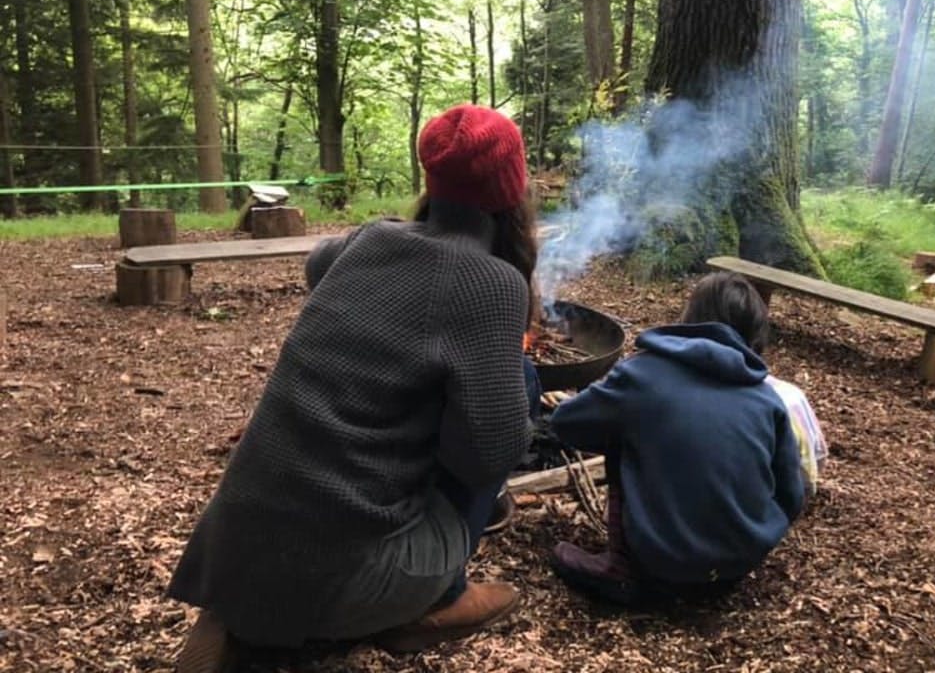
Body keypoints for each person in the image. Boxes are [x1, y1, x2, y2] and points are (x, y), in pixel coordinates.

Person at [169, 105, 542, 672]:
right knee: (519, 390)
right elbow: (488, 455)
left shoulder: (370, 239)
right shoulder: (493, 284)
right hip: (336, 578)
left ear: (431, 180)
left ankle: (240, 610)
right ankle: (438, 599)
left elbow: (318, 265)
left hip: (233, 547)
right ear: (511, 188)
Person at [548, 271, 827, 604]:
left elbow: (566, 424)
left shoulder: (643, 374)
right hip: (738, 567)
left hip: (658, 567)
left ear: (691, 317)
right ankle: (707, 563)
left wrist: (645, 434)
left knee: (623, 434)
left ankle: (621, 568)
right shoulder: (767, 399)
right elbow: (791, 495)